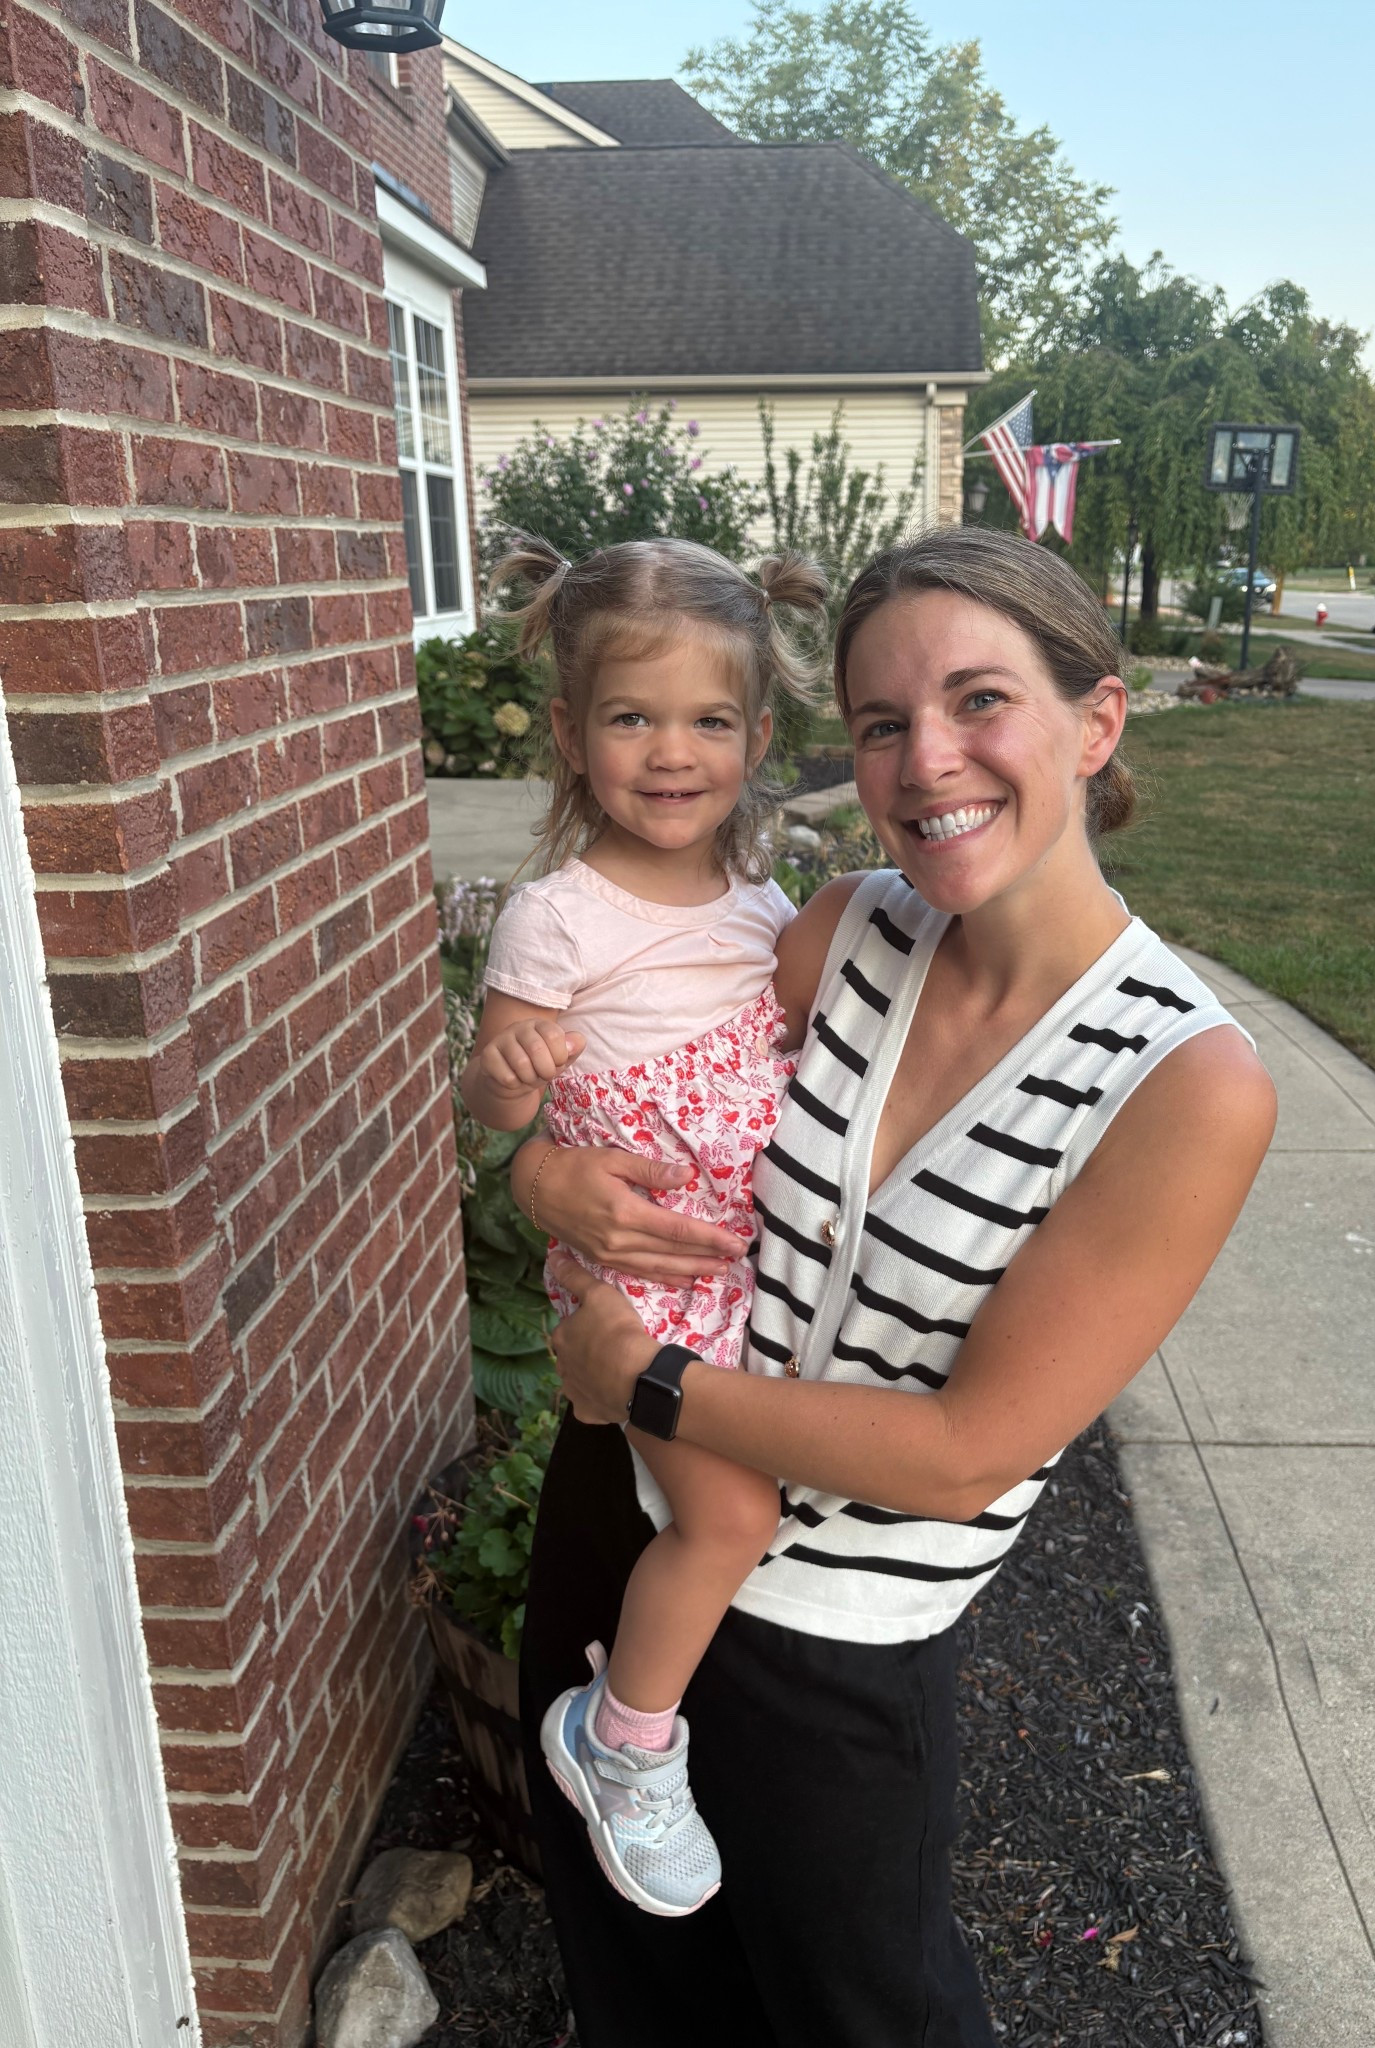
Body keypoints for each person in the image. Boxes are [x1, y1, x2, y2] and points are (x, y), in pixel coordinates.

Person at [512, 526, 1277, 2048]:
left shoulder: (1180, 1085)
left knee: (864, 2019)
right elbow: (634, 1098)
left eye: (980, 700)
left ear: (1097, 720)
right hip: (620, 1520)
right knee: (641, 1990)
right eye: (881, 723)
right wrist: (543, 1175)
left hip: (834, 1646)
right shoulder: (837, 934)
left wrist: (645, 1379)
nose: (929, 761)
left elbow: (964, 1454)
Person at [458, 533, 830, 1918]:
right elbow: (500, 1099)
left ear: (757, 734)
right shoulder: (558, 918)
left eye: (707, 720)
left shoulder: (763, 906)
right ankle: (620, 1738)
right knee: (730, 1518)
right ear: (569, 731)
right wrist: (512, 1090)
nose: (670, 753)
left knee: (763, 1509)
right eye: (631, 717)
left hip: (748, 1268)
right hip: (647, 1279)